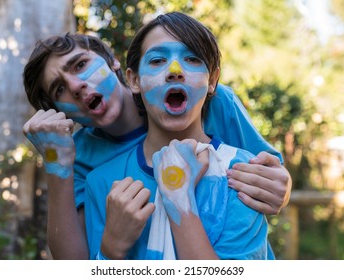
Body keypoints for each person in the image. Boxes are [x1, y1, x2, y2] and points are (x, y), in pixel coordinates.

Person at [22, 31, 290, 259]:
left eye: (80, 65)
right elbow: (74, 264)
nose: (76, 85)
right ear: (59, 110)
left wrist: (283, 186)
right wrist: (56, 162)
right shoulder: (77, 158)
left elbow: (270, 170)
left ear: (114, 63)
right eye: (59, 89)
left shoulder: (214, 102)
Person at [85, 11, 273, 259]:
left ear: (213, 80)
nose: (175, 70)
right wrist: (109, 250)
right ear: (134, 80)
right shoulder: (100, 182)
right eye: (157, 61)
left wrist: (179, 199)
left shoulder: (241, 174)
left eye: (192, 59)